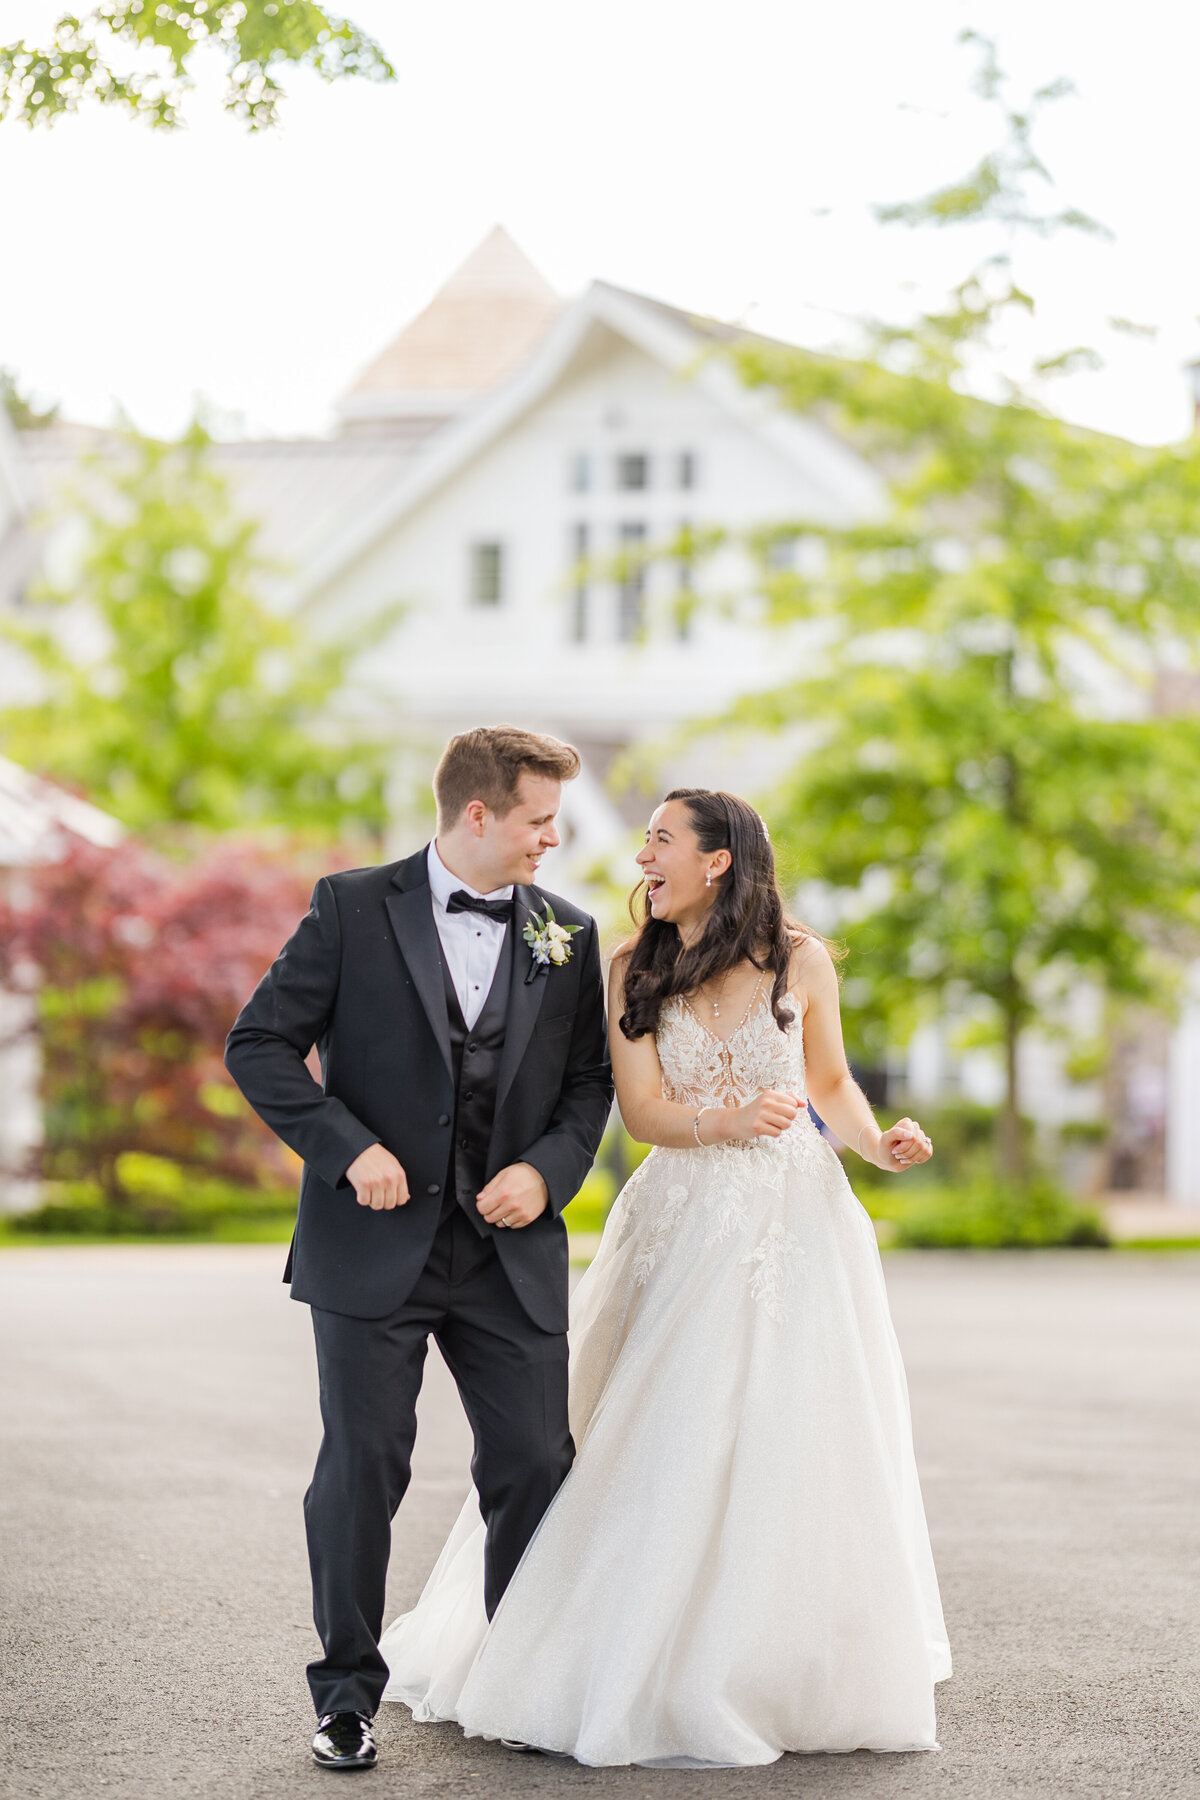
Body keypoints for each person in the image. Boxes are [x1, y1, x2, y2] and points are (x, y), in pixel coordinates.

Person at [379, 786, 951, 1768]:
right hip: (681, 1212)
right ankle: (614, 1650)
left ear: (717, 860)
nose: (642, 855)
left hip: (797, 1220)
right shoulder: (629, 966)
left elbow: (827, 1083)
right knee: (653, 1421)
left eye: (660, 839)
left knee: (794, 1427)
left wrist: (877, 1146)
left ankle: (775, 1660)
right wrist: (725, 1123)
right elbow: (640, 1113)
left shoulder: (801, 957)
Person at [223, 726, 613, 1773]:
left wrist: (547, 1169)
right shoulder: (352, 909)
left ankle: (521, 1678)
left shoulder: (569, 937)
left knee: (535, 1463)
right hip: (370, 1246)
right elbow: (258, 1043)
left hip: (507, 1251)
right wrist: (346, 1150)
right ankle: (346, 1695)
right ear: (478, 814)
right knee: (363, 1467)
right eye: (539, 819)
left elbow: (589, 1087)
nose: (554, 838)